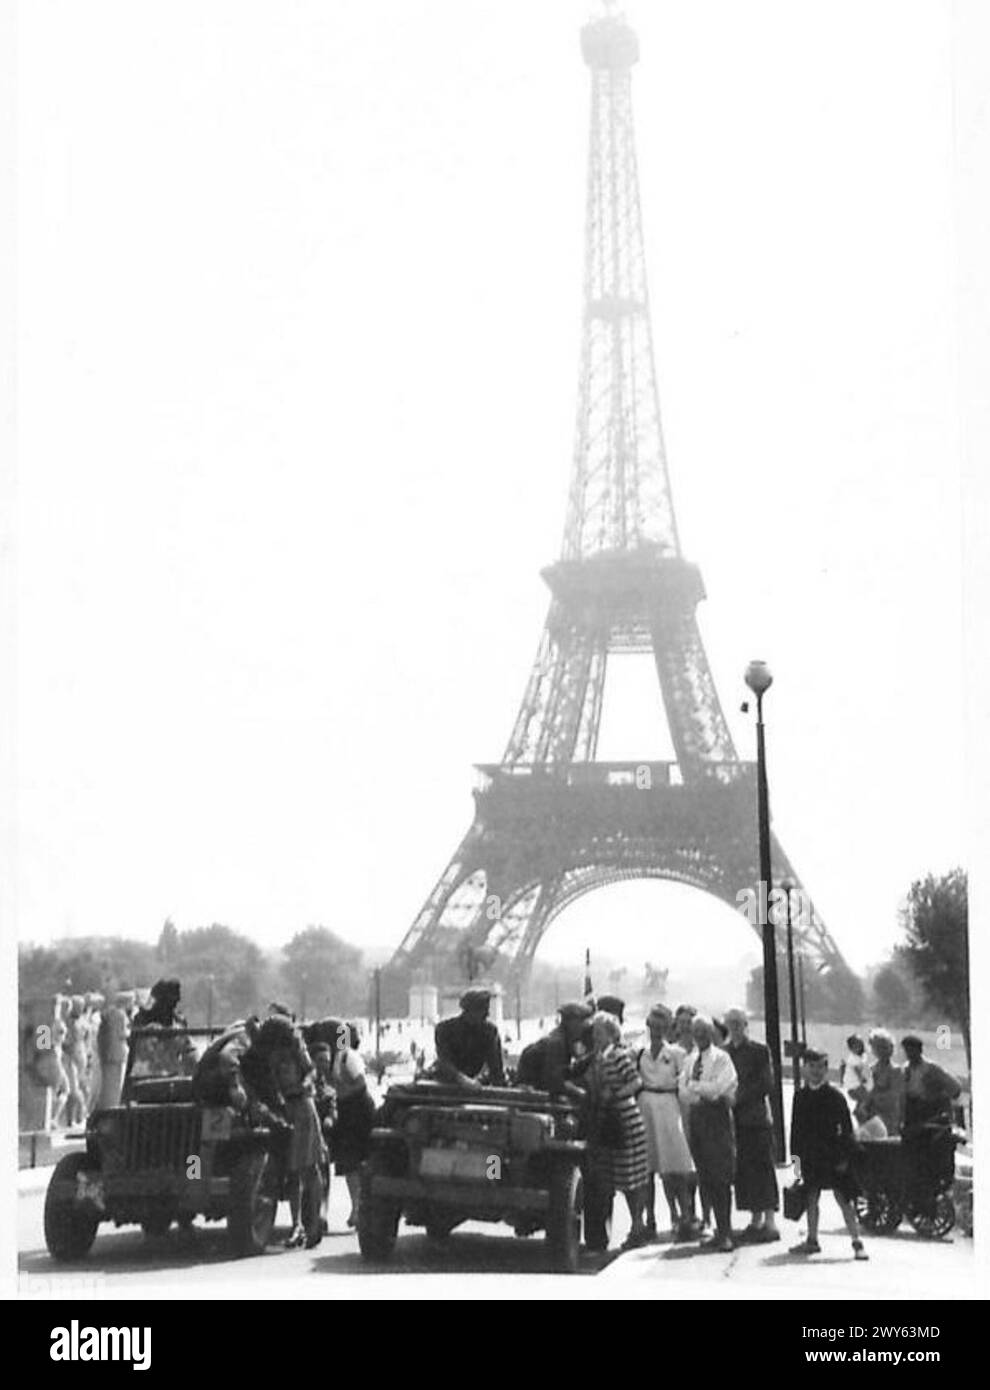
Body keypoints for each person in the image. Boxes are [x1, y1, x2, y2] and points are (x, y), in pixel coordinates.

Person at [789, 1049, 868, 1260]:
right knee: (811, 1199)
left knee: (844, 1199)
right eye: (811, 1066)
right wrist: (796, 1165)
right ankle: (812, 1240)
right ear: (805, 1068)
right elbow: (795, 1132)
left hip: (834, 1156)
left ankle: (857, 1242)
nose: (816, 1071)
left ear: (826, 1069)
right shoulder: (800, 1096)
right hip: (809, 1157)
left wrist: (844, 1158)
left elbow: (847, 1130)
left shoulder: (835, 1097)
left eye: (821, 1066)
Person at [584, 1011, 650, 1250]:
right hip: (609, 1120)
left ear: (611, 1034)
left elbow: (636, 1082)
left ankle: (638, 1226)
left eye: (599, 1032)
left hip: (625, 1118)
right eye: (594, 1033)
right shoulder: (598, 1058)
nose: (595, 1037)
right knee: (619, 1177)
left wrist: (615, 1094)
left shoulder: (619, 1055)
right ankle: (635, 1226)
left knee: (631, 1177)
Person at [679, 1013, 738, 1252]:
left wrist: (697, 1088)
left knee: (721, 1176)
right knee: (705, 1176)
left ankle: (726, 1232)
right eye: (696, 1033)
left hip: (717, 1119)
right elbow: (683, 1091)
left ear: (711, 1034)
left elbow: (721, 1088)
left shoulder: (722, 1059)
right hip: (697, 1119)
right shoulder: (689, 1060)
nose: (700, 1037)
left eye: (704, 1032)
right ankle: (715, 1229)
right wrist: (699, 1090)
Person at [636, 1004, 695, 1240]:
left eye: (662, 1026)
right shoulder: (639, 1052)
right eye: (653, 1025)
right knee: (646, 1168)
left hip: (670, 1107)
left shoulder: (677, 1055)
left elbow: (685, 1085)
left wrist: (686, 1114)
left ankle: (685, 1216)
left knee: (676, 1166)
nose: (657, 1030)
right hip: (645, 1106)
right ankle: (648, 1218)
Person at [724, 1007, 780, 1243]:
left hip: (756, 1118)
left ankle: (770, 1221)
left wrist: (740, 1096)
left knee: (764, 1168)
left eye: (739, 1023)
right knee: (745, 1172)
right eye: (731, 1023)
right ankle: (755, 1220)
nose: (735, 1027)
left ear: (746, 1025)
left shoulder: (759, 1050)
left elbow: (767, 1083)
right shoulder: (725, 1052)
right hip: (735, 1121)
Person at [326, 1023, 376, 1229]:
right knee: (348, 1166)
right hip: (347, 1113)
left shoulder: (350, 1057)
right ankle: (356, 1208)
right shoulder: (338, 1057)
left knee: (355, 1163)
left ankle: (359, 1210)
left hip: (357, 1113)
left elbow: (360, 1083)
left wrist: (342, 1095)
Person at [433, 988, 505, 1088]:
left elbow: (496, 1068)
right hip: (447, 1085)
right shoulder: (444, 1030)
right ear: (469, 1011)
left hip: (476, 1085)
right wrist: (462, 1079)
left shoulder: (489, 1031)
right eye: (482, 1011)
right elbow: (444, 1062)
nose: (487, 1015)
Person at [516, 1002, 592, 1096]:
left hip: (538, 1091)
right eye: (582, 1021)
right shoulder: (557, 1043)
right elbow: (555, 1081)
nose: (584, 1027)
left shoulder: (564, 1038)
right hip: (532, 1095)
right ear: (571, 1023)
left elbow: (566, 1071)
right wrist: (578, 1092)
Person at [857, 1028, 903, 1136]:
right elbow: (862, 1096)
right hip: (871, 1121)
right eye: (879, 1047)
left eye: (886, 1047)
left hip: (890, 1120)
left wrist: (872, 1097)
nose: (884, 1051)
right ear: (872, 1049)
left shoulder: (897, 1071)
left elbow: (893, 1097)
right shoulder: (869, 1071)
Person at [97, 991, 133, 1109]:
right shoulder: (119, 1015)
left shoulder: (111, 1013)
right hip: (117, 1053)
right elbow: (121, 1033)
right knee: (115, 1085)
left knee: (108, 1084)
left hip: (109, 1053)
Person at [838, 1034, 871, 1104]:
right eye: (855, 1047)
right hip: (853, 1084)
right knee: (865, 1097)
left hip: (856, 1083)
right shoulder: (853, 1058)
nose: (859, 1048)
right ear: (851, 1049)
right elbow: (857, 1070)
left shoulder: (862, 1055)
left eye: (860, 1045)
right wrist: (861, 1078)